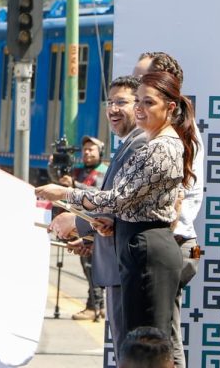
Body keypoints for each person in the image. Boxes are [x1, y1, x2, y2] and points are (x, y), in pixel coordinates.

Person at [37, 71, 200, 339]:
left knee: (147, 344)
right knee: (143, 342)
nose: (139, 109)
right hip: (140, 245)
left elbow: (119, 197)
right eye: (138, 101)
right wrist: (111, 221)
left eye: (147, 102)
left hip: (148, 249)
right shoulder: (154, 142)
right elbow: (133, 201)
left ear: (170, 107)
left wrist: (66, 194)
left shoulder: (157, 146)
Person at [49, 75, 147, 359]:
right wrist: (89, 237)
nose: (113, 109)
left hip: (128, 263)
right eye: (110, 102)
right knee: (125, 350)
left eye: (122, 102)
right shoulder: (127, 145)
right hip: (116, 261)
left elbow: (121, 202)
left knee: (132, 352)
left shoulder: (140, 145)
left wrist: (75, 215)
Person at [134, 52, 204, 368]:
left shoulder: (170, 139)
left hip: (175, 242)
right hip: (176, 242)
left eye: (143, 81)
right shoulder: (164, 132)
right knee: (163, 335)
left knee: (162, 339)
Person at [54, 135, 107, 321]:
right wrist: (56, 166)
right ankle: (96, 305)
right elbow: (58, 183)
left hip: (96, 226)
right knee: (88, 268)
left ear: (100, 152)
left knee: (94, 268)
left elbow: (99, 195)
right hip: (79, 227)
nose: (87, 152)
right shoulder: (77, 171)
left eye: (91, 149)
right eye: (84, 149)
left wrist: (75, 186)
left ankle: (94, 306)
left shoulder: (104, 171)